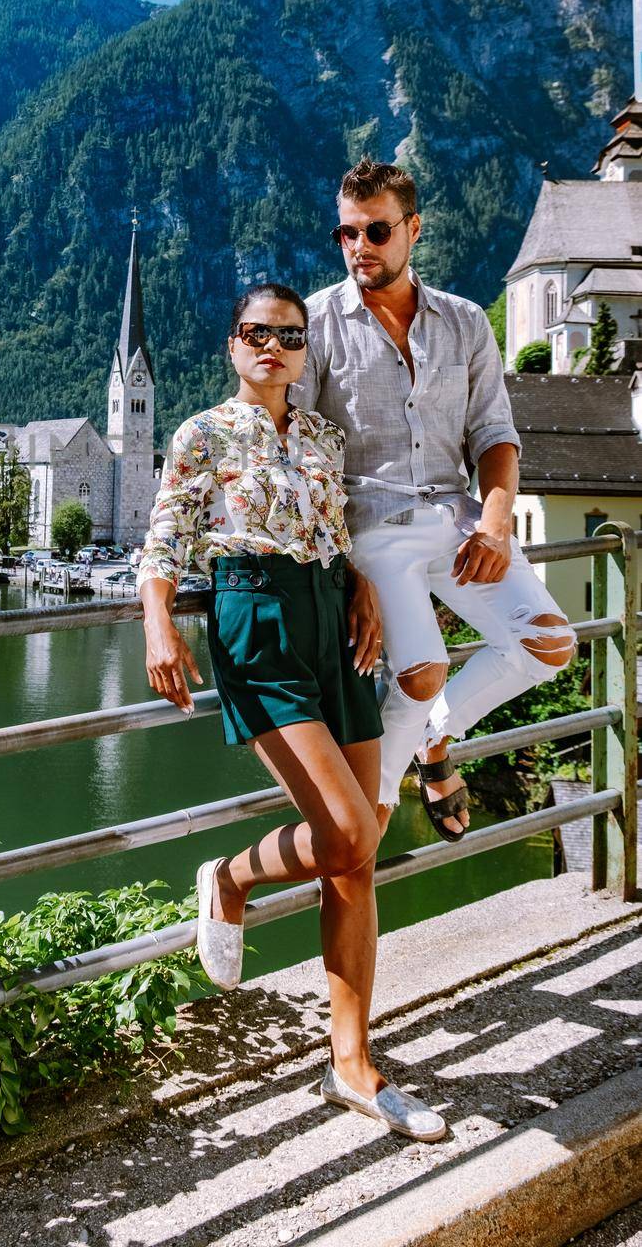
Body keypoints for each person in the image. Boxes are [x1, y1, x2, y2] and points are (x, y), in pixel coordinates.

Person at [136, 283, 447, 1142]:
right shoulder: (200, 433)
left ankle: (351, 1065)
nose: (271, 347)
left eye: (288, 336)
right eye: (253, 334)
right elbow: (163, 540)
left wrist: (361, 589)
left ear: (305, 351)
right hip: (258, 624)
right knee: (350, 833)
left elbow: (335, 533)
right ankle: (228, 879)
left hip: (332, 629)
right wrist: (160, 624)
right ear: (231, 347)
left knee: (354, 864)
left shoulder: (318, 434)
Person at [293, 157, 577, 839]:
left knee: (550, 645)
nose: (358, 247)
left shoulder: (465, 321)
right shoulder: (315, 322)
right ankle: (376, 813)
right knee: (418, 672)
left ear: (412, 230)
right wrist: (346, 567)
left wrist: (498, 521)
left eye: (376, 231)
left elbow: (493, 433)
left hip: (455, 520)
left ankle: (434, 741)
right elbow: (299, 453)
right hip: (369, 528)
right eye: (345, 233)